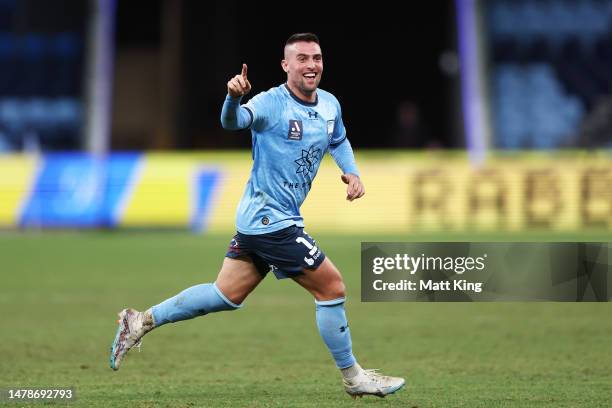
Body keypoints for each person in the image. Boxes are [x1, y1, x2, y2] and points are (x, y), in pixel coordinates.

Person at [109, 32, 405, 399]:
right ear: (286, 65)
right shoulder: (270, 103)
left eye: (316, 57)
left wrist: (352, 171)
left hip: (264, 219)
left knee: (225, 294)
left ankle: (140, 320)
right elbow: (233, 122)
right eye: (302, 59)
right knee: (332, 287)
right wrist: (233, 98)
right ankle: (353, 377)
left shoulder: (329, 104)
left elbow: (338, 139)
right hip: (270, 221)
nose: (311, 65)